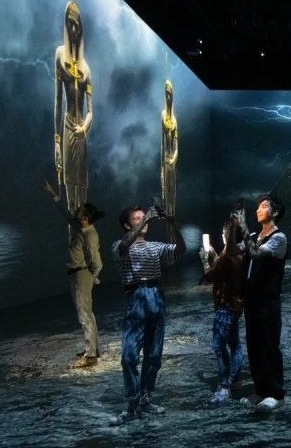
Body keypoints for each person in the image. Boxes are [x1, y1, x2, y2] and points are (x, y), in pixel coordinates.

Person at [109, 204, 186, 425]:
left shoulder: (154, 246)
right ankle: (131, 402)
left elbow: (180, 250)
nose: (144, 221)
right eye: (137, 218)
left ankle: (144, 397)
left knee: (153, 356)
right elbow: (124, 245)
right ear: (127, 224)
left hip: (156, 296)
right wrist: (147, 219)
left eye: (144, 218)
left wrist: (174, 225)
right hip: (136, 296)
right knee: (128, 357)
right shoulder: (120, 245)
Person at [42, 178, 104, 368]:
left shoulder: (89, 235)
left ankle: (91, 355)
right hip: (78, 274)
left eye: (79, 212)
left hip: (81, 275)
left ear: (85, 218)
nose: (76, 212)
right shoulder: (81, 228)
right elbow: (66, 215)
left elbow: (97, 261)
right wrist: (53, 194)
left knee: (84, 315)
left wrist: (93, 277)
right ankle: (93, 349)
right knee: (86, 314)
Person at [53, 0, 93, 216]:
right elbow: (58, 101)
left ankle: (83, 246)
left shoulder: (86, 68)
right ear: (67, 27)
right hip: (67, 128)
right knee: (70, 188)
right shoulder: (60, 56)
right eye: (70, 25)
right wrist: (56, 141)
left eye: (77, 25)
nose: (74, 29)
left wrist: (86, 127)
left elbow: (91, 110)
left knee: (82, 186)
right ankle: (74, 250)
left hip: (81, 132)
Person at [241, 195, 288, 412]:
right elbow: (237, 250)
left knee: (269, 346)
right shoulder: (252, 235)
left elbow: (256, 253)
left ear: (275, 212)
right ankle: (260, 390)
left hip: (268, 301)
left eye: (264, 206)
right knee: (254, 347)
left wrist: (241, 227)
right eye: (258, 206)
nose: (258, 209)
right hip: (251, 301)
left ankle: (276, 393)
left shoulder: (279, 238)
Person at [200, 215, 245, 404]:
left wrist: (205, 260)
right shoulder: (236, 253)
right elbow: (222, 268)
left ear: (228, 234)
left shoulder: (230, 254)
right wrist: (213, 255)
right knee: (234, 342)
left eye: (224, 232)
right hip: (235, 305)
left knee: (219, 346)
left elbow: (211, 276)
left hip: (225, 305)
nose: (222, 235)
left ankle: (224, 385)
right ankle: (235, 380)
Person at [160, 80, 178, 241]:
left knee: (172, 199)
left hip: (171, 163)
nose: (168, 96)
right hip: (165, 163)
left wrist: (173, 159)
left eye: (170, 93)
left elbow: (177, 146)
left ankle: (173, 240)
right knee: (166, 200)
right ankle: (169, 238)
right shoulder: (163, 116)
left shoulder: (174, 120)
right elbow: (162, 143)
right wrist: (163, 167)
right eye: (166, 93)